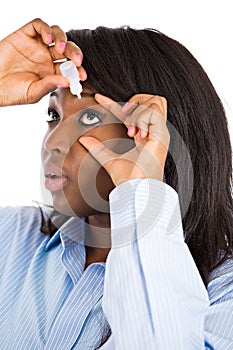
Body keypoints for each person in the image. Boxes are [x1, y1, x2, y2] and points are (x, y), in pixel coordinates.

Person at [0, 18, 232, 350]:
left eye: (90, 118)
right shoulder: (12, 237)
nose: (53, 142)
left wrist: (141, 189)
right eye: (53, 116)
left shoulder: (225, 295)